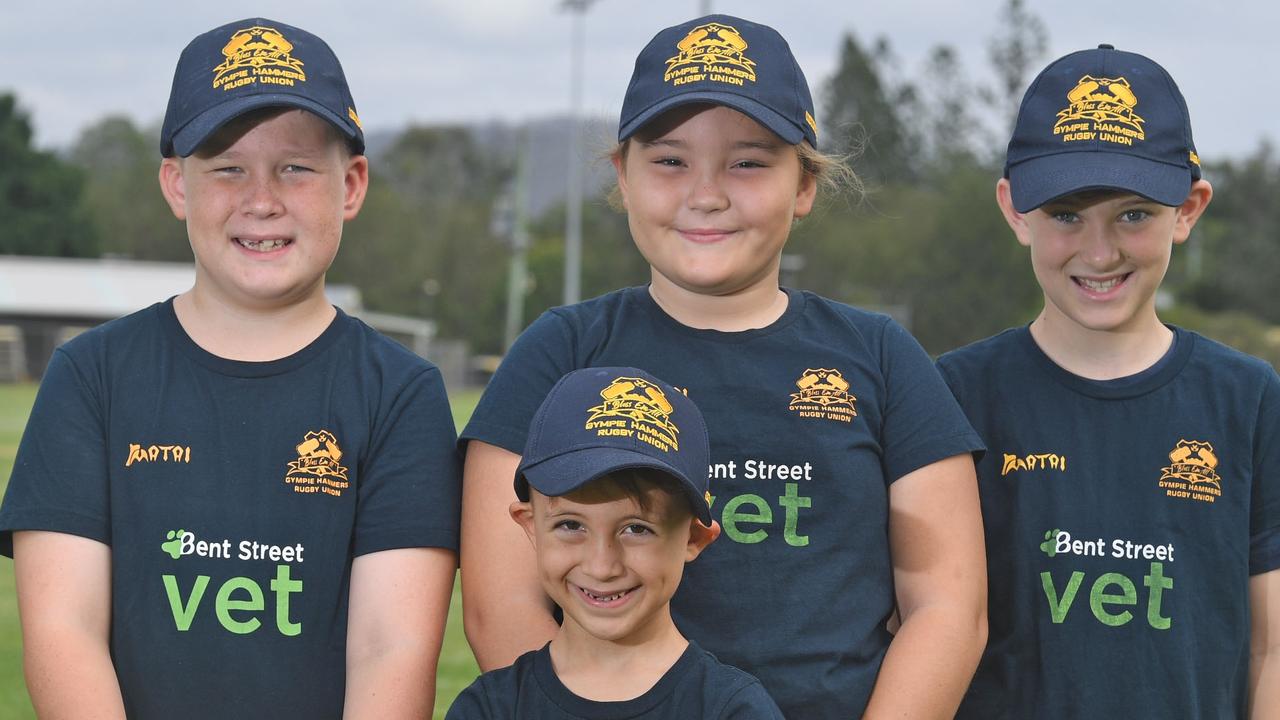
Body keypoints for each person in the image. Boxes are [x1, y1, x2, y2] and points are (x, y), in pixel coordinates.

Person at [460, 14, 988, 719]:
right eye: (671, 160)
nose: (706, 194)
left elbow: (948, 609)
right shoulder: (557, 351)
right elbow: (504, 609)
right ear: (623, 177)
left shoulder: (883, 359)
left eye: (748, 161)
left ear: (804, 184)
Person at [0, 18, 461, 719]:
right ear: (177, 186)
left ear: (352, 184)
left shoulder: (400, 393)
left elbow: (390, 647)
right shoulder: (91, 376)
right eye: (227, 168)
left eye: (296, 167)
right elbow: (64, 631)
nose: (261, 199)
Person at [936, 44, 1280, 719]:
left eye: (1133, 214)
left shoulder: (1250, 399)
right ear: (1014, 210)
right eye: (1066, 215)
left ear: (1188, 209)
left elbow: (1271, 651)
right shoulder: (949, 395)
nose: (1099, 252)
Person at [447, 366, 782, 718]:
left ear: (695, 537)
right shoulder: (489, 708)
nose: (602, 566)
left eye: (636, 529)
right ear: (530, 525)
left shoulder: (732, 710)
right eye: (571, 524)